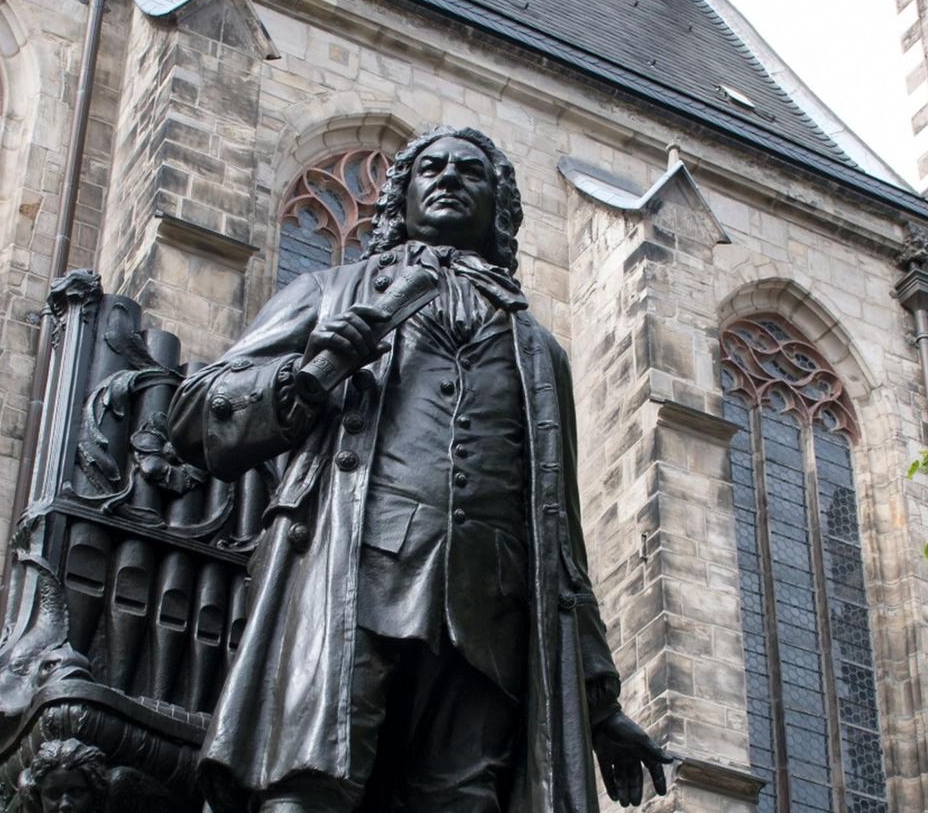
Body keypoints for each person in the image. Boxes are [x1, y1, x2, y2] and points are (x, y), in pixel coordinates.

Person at [170, 127, 671, 813]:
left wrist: (598, 701)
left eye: (470, 171)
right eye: (430, 168)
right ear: (400, 199)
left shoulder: (537, 350)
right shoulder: (331, 293)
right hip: (351, 574)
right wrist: (306, 374)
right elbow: (196, 413)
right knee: (309, 782)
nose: (448, 177)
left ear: (498, 209)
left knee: (466, 801)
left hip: (489, 608)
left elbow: (562, 540)